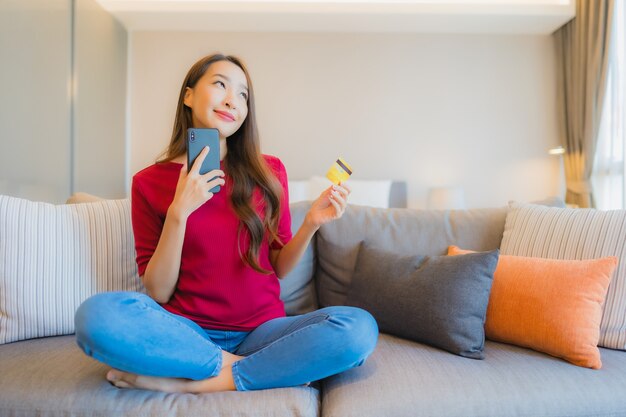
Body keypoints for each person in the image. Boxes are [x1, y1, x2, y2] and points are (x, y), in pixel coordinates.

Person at [74, 53, 379, 393]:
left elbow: (278, 267)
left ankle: (194, 383)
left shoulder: (270, 171)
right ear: (188, 95)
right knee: (96, 316)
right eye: (220, 84)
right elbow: (158, 290)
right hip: (187, 331)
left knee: (359, 328)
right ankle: (249, 370)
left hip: (263, 333)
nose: (233, 99)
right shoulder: (149, 182)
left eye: (243, 94)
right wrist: (179, 211)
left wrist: (311, 223)